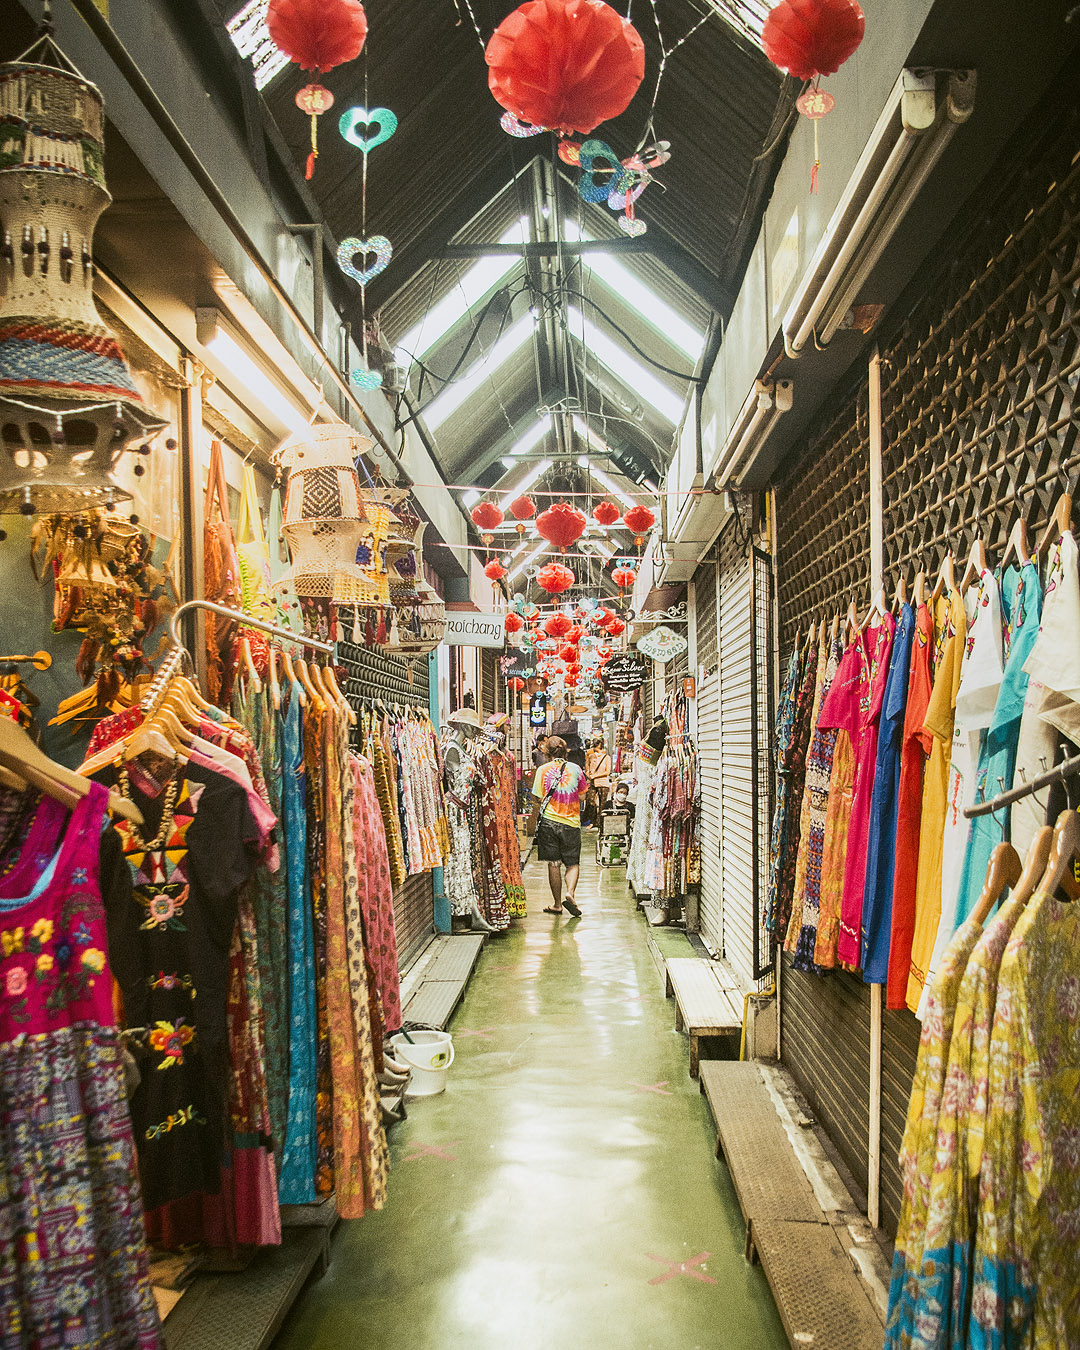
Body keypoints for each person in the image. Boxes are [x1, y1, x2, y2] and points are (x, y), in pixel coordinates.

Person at [531, 736, 587, 918]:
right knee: (572, 863)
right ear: (566, 751)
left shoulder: (542, 770)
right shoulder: (576, 769)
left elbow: (537, 797)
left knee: (554, 864)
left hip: (549, 822)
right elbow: (583, 796)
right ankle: (570, 893)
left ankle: (557, 905)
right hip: (571, 822)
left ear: (546, 752)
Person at [584, 734, 612, 828]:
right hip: (593, 783)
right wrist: (589, 775)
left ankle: (600, 823)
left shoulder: (606, 757)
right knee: (590, 802)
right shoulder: (590, 756)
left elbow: (607, 772)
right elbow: (587, 768)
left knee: (602, 804)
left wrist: (595, 776)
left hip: (603, 783)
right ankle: (593, 821)